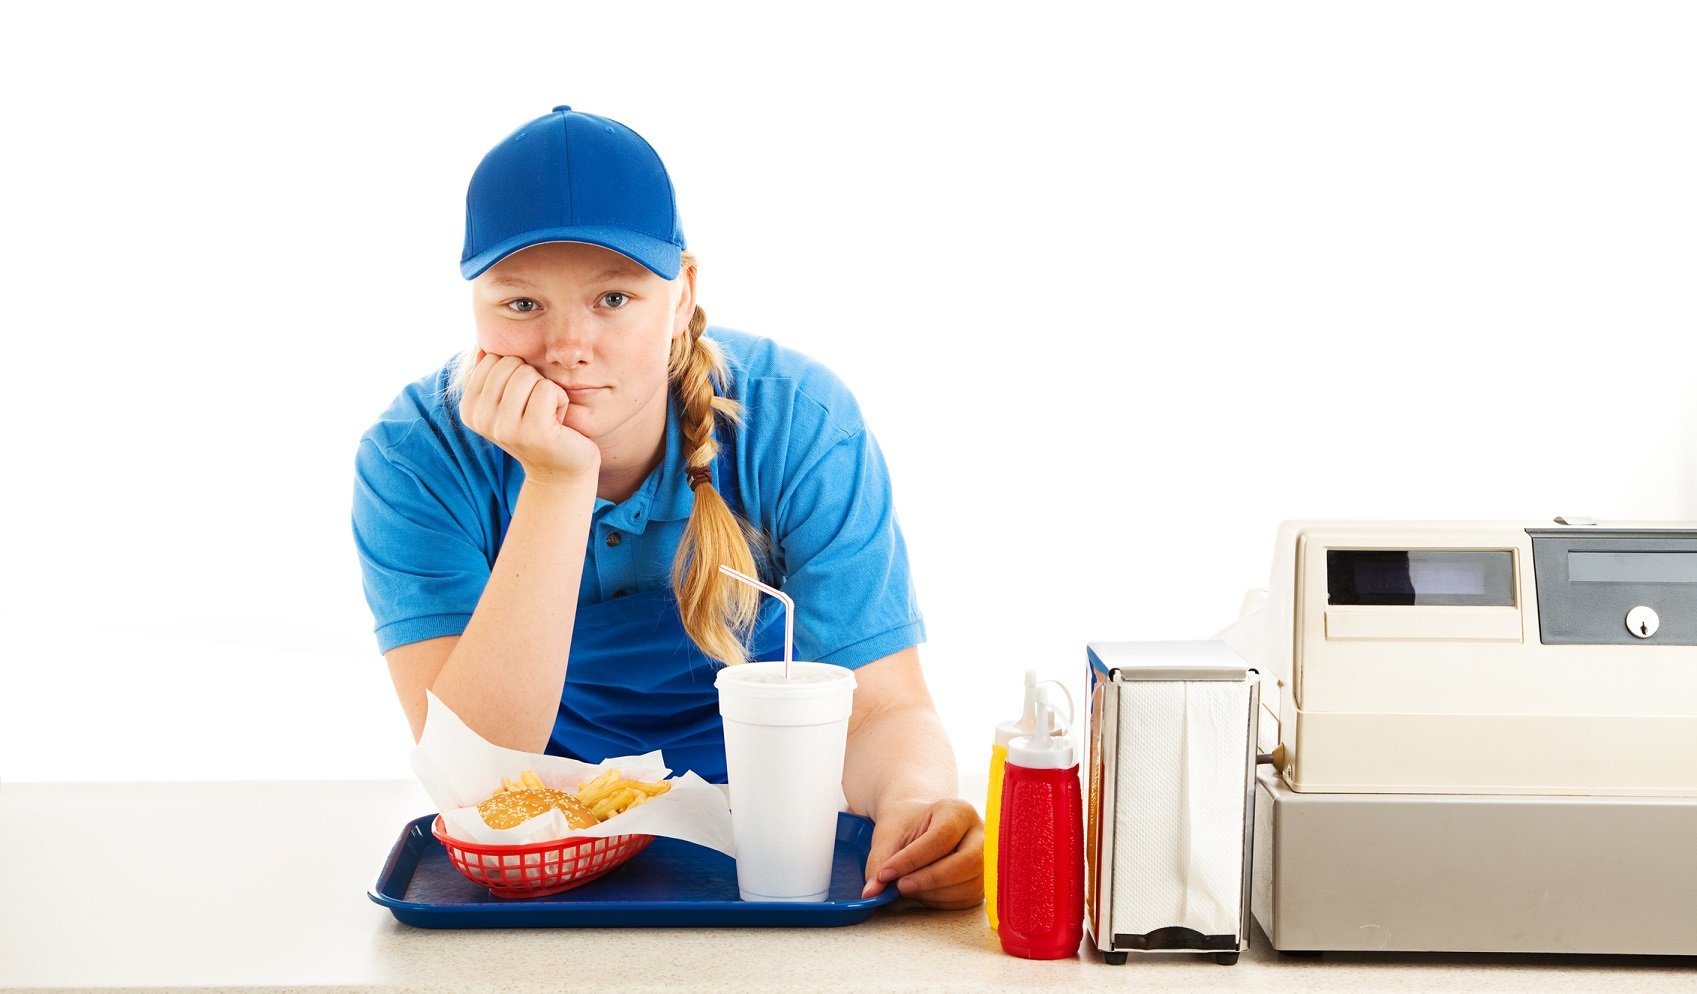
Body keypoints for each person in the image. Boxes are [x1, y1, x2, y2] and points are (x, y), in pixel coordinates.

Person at [352, 105, 981, 909]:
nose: (567, 345)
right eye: (520, 305)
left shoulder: (798, 422)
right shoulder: (414, 456)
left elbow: (880, 707)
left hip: (761, 841)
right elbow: (476, 775)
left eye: (614, 298)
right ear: (475, 303)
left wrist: (916, 806)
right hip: (548, 848)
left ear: (682, 296)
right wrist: (555, 481)